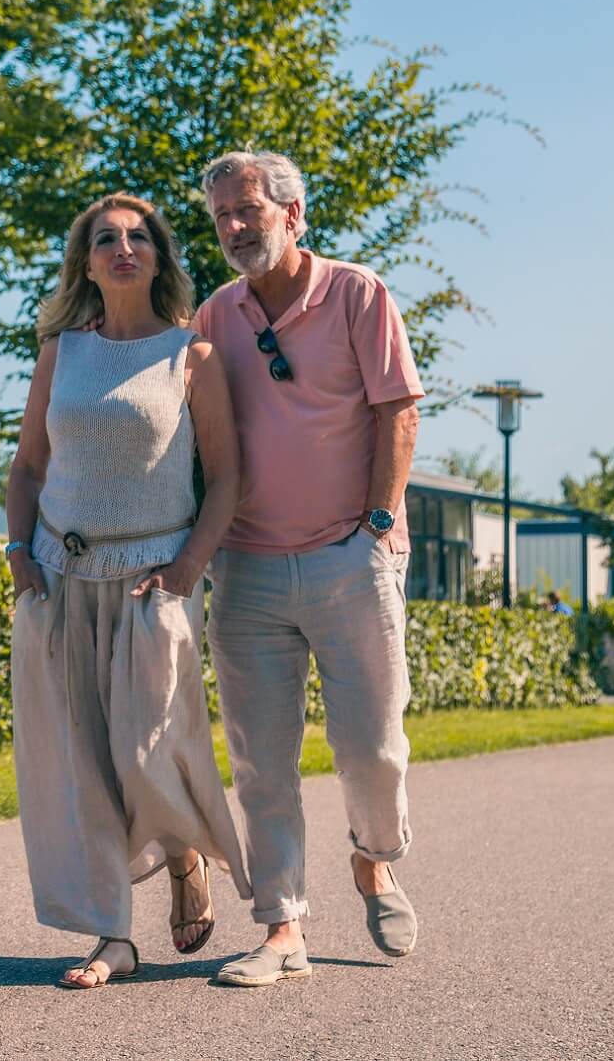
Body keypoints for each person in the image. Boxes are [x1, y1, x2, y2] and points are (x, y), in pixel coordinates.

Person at [3, 192, 252, 990]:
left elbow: (226, 480)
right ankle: (112, 936)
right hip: (61, 576)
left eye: (137, 238)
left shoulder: (192, 355)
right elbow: (30, 467)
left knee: (145, 750)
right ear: (85, 260)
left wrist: (187, 571)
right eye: (105, 239)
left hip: (153, 581)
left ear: (159, 256)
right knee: (84, 764)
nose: (122, 248)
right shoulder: (60, 353)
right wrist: (17, 550)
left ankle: (184, 855)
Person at [192, 150, 424, 988]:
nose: (233, 227)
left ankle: (374, 859)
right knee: (261, 757)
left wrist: (376, 523)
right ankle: (281, 926)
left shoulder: (358, 293)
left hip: (348, 556)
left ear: (294, 215)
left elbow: (397, 408)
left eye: (247, 210)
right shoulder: (215, 316)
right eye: (221, 216)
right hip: (247, 567)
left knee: (371, 747)